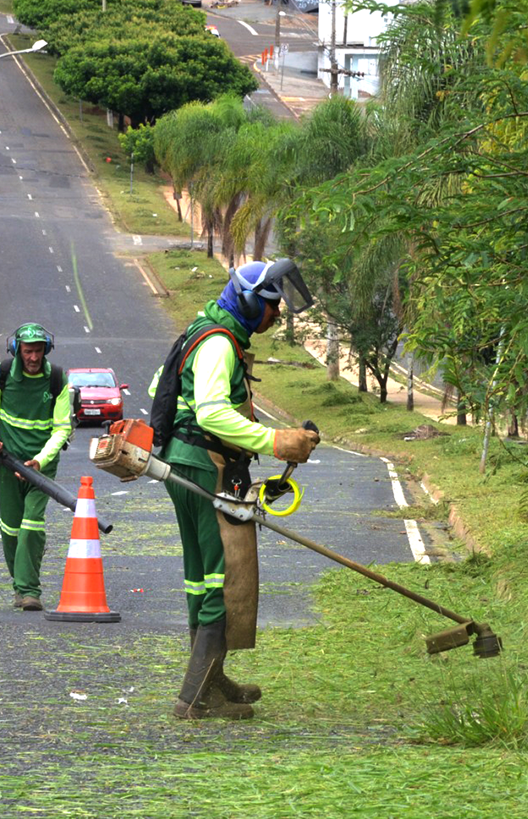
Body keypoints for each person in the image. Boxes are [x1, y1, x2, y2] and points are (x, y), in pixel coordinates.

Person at [152, 259, 319, 720]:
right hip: (204, 467)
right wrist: (275, 441)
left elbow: (168, 392)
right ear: (247, 303)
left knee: (203, 577)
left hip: (187, 464)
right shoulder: (218, 343)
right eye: (271, 305)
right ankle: (195, 697)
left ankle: (212, 679)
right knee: (225, 580)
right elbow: (210, 413)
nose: (277, 314)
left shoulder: (203, 331)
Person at [0, 323, 73, 611]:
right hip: (9, 462)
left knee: (32, 523)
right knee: (10, 529)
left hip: (41, 467)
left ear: (47, 349)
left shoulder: (57, 379)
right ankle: (19, 586)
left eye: (38, 351)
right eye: (28, 351)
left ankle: (30, 591)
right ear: (16, 350)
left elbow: (62, 429)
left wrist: (40, 461)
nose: (33, 357)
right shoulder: (2, 374)